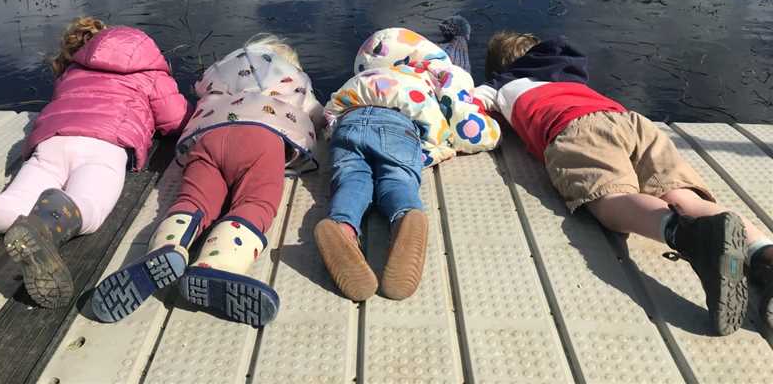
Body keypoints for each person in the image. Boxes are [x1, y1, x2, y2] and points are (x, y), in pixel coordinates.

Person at [476, 30, 773, 334]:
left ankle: (689, 237)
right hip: (631, 121)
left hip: (575, 130)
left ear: (501, 68)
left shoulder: (501, 85)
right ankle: (764, 254)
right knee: (686, 198)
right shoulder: (569, 78)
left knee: (610, 200)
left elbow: (464, 105)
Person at [0, 17, 190, 309]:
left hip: (53, 141)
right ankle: (45, 224)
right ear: (149, 51)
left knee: (16, 203)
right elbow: (175, 120)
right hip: (105, 145)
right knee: (89, 207)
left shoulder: (76, 69)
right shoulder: (150, 72)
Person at [92, 34, 323, 328]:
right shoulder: (293, 78)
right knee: (254, 203)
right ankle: (216, 264)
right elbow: (317, 116)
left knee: (192, 201)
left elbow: (200, 94)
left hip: (209, 136)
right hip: (262, 136)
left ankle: (167, 248)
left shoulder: (221, 71)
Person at [315, 18, 501, 302]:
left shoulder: (361, 79)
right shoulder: (432, 75)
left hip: (348, 122)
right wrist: (484, 135)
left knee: (351, 179)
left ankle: (343, 227)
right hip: (398, 124)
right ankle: (405, 215)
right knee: (396, 178)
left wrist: (334, 134)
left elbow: (328, 117)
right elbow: (466, 123)